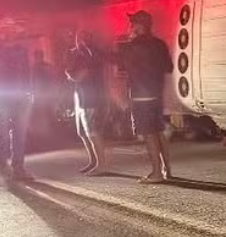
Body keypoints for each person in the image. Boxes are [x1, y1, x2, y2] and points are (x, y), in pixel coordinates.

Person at [117, 10, 173, 183]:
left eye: (131, 24)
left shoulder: (132, 46)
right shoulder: (159, 43)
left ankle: (156, 174)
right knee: (158, 131)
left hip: (141, 95)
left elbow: (121, 66)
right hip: (156, 93)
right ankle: (166, 170)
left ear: (138, 26)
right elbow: (169, 67)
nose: (129, 27)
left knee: (149, 134)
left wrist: (130, 42)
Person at [0, 17, 35, 181]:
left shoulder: (21, 49)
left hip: (21, 95)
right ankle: (2, 161)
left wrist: (29, 92)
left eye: (12, 30)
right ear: (0, 32)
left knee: (19, 133)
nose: (9, 33)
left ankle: (18, 167)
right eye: (6, 30)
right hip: (0, 95)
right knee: (2, 130)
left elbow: (27, 71)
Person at [66, 29, 109, 175]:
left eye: (84, 37)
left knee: (92, 132)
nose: (79, 40)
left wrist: (69, 73)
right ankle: (93, 161)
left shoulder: (90, 54)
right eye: (78, 37)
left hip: (91, 98)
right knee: (82, 132)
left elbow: (78, 76)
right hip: (81, 97)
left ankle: (101, 165)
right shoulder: (79, 54)